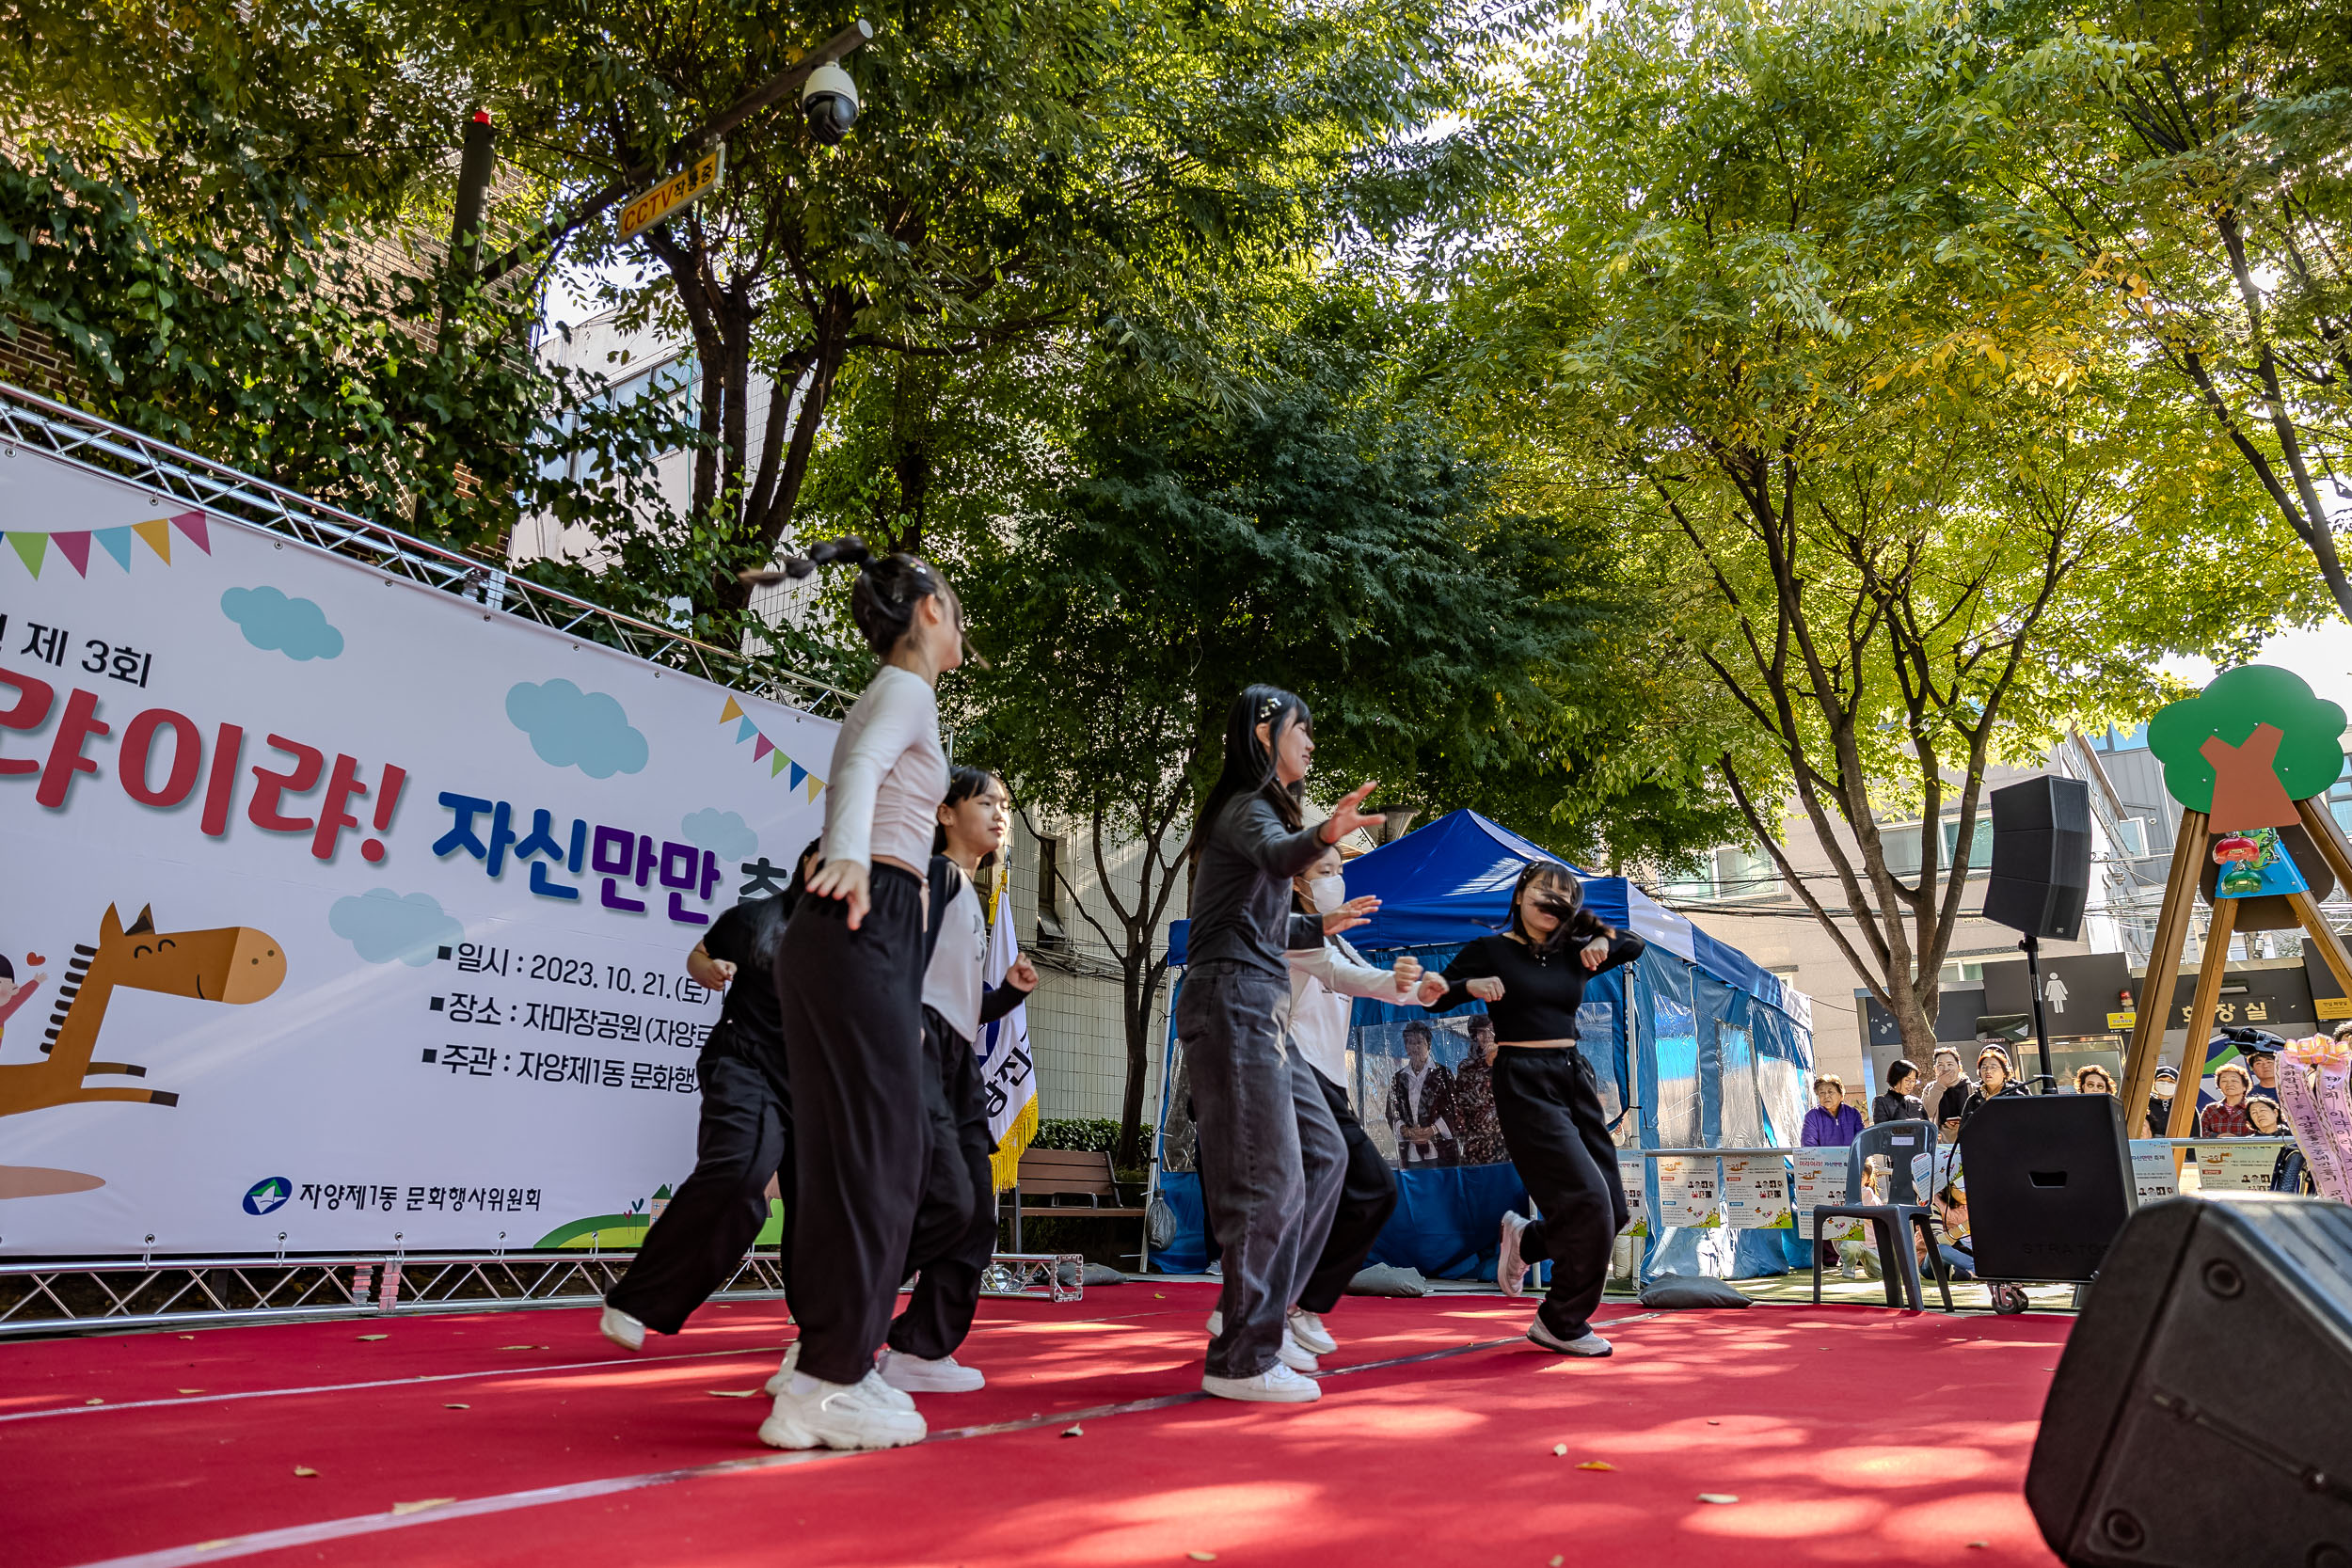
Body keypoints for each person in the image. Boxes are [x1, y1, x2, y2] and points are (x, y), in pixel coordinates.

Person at [757, 537, 961, 1453]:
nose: (960, 621)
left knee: (863, 1154)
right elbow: (861, 768)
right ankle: (833, 1374)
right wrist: (843, 850)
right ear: (926, 609)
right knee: (882, 1155)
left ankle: (824, 1360)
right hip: (859, 914)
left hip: (859, 933)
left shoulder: (899, 690)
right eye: (953, 602)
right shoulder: (905, 688)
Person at [1179, 683, 1384, 1404]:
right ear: (1265, 734)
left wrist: (1315, 928)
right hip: (1234, 1003)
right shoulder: (1249, 809)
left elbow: (1252, 925)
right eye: (1303, 728)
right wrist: (1325, 833)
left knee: (1310, 1164)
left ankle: (1259, 1323)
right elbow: (1277, 854)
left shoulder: (1252, 811)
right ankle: (1242, 1352)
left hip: (1250, 1000)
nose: (1312, 742)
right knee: (1267, 1181)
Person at [1416, 860, 1645, 1358]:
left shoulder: (1573, 950)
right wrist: (1467, 988)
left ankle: (1529, 1239)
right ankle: (1559, 1321)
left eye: (1566, 898)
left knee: (1616, 1209)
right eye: (1544, 891)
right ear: (1520, 896)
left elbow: (1634, 942)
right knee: (1587, 1202)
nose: (1553, 904)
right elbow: (1432, 998)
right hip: (1523, 1078)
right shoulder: (1489, 950)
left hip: (1573, 1075)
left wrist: (1602, 938)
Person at [600, 842, 818, 1354]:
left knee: (822, 1210)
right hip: (748, 1066)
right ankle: (638, 1299)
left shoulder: (865, 936)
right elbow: (698, 956)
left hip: (820, 1087)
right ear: (807, 864)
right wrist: (712, 969)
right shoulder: (757, 919)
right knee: (740, 1175)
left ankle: (821, 1341)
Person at [876, 767, 1041, 1395]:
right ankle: (838, 1312)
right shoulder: (936, 878)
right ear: (945, 813)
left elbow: (964, 1006)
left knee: (975, 1213)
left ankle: (921, 1346)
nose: (1000, 814)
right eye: (985, 802)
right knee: (949, 1200)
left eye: (1005, 804)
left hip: (957, 1064)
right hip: (920, 1052)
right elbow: (900, 966)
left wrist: (1008, 994)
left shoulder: (971, 897)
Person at [1277, 842, 1422, 1358]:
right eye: (1326, 870)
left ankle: (1296, 1306)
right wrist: (1404, 986)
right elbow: (1342, 976)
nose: (1337, 879)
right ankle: (1270, 1315)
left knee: (1361, 1192)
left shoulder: (1335, 938)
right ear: (1298, 881)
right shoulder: (1289, 926)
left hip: (1328, 1081)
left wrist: (1420, 986)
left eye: (1342, 870)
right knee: (1353, 1190)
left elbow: (1352, 972)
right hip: (1291, 1075)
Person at [1386, 1022, 1460, 1167]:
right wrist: (1405, 1130)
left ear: (1429, 1045)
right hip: (1410, 1153)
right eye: (1411, 1043)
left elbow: (1454, 1110)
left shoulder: (1443, 1074)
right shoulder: (1399, 1079)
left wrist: (1432, 1130)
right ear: (1406, 1048)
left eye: (1419, 1042)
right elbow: (1391, 1112)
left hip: (1440, 1152)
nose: (1415, 1047)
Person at [1452, 1015, 1505, 1164]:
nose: (1487, 1036)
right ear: (1475, 1035)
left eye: (1492, 1031)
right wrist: (1465, 1136)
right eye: (1482, 1032)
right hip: (1476, 1146)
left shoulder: (1509, 1062)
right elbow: (1460, 1106)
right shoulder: (1466, 1067)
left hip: (1508, 1143)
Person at [1958, 1045, 2024, 1132]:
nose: (1988, 1071)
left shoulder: (2016, 1097)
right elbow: (1964, 1131)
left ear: (2005, 1072)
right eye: (1984, 1067)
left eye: (1993, 1067)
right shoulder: (1973, 1099)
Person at [1801, 1076, 1864, 1148]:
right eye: (1822, 1093)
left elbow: (1861, 1141)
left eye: (1830, 1092)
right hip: (1822, 1158)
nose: (1826, 1096)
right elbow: (1809, 1145)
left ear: (1841, 1095)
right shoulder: (1812, 1116)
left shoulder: (1853, 1114)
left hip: (1851, 1158)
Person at [1920, 1046, 1972, 1130]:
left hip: (1967, 1138)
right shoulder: (1930, 1088)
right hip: (1940, 1140)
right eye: (1940, 1065)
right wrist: (1940, 1085)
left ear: (1959, 1067)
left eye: (1950, 1064)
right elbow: (1926, 1114)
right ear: (1935, 1069)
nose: (1945, 1069)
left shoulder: (1971, 1088)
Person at [2200, 1061, 2256, 1137]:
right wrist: (2217, 1137)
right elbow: (2201, 1132)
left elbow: (2264, 1132)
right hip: (2217, 1148)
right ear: (2219, 1086)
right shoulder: (2210, 1109)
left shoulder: (2254, 1108)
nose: (2229, 1084)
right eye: (2224, 1081)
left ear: (2244, 1086)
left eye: (2234, 1081)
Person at [1871, 1060, 1924, 1127]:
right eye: (1907, 1080)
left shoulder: (1917, 1102)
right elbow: (1882, 1130)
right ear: (1896, 1080)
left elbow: (1927, 1127)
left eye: (1913, 1081)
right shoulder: (1881, 1101)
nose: (1911, 1084)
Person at [2145, 1063, 2181, 1138]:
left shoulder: (2183, 1105)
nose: (2165, 1084)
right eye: (2161, 1080)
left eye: (2171, 1081)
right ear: (2154, 1082)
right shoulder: (2146, 1104)